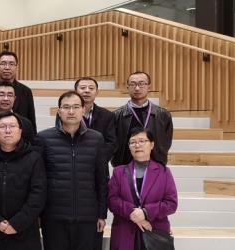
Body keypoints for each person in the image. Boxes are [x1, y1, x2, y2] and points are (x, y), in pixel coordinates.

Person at [34, 91, 108, 250]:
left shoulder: (97, 139)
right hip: (54, 217)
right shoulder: (43, 138)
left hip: (88, 217)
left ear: (83, 110)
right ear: (59, 111)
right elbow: (38, 181)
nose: (71, 111)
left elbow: (102, 179)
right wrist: (40, 214)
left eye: (75, 107)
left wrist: (102, 214)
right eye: (66, 107)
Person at [0, 112, 46, 250]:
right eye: (3, 127)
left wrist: (17, 223)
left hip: (25, 231)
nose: (8, 130)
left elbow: (38, 195)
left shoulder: (34, 158)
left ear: (20, 131)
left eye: (12, 126)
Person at [108, 128, 178, 250]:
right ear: (129, 146)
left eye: (142, 141)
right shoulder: (119, 172)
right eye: (133, 142)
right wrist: (134, 214)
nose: (137, 145)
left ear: (152, 144)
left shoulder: (164, 172)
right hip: (124, 232)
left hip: (154, 231)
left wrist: (145, 213)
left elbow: (171, 204)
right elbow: (112, 201)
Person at [73, 77, 116, 250]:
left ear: (97, 92)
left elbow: (112, 142)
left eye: (91, 87)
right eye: (82, 87)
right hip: (73, 168)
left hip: (98, 168)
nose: (86, 90)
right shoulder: (67, 113)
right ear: (76, 91)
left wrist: (93, 160)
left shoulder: (107, 115)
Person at [113, 71, 173, 167]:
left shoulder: (163, 115)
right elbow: (114, 144)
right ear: (127, 87)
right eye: (133, 84)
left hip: (155, 166)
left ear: (149, 87)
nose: (137, 88)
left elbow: (166, 142)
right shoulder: (116, 115)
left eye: (141, 84)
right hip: (125, 167)